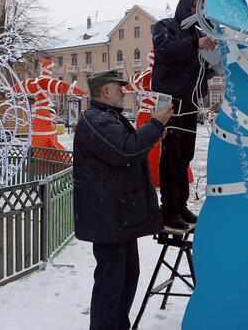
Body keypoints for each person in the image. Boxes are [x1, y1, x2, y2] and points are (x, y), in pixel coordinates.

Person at [73, 69, 174, 330]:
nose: (123, 91)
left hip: (118, 218)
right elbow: (126, 150)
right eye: (119, 88)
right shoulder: (95, 120)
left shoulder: (107, 117)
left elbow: (128, 146)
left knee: (127, 279)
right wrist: (156, 124)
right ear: (105, 91)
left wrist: (150, 132)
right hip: (108, 220)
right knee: (111, 285)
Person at [152, 0, 216, 230]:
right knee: (171, 154)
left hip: (190, 100)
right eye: (196, 2)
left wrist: (213, 65)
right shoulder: (165, 27)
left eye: (202, 4)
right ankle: (168, 209)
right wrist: (196, 45)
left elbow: (198, 67)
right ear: (187, 2)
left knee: (185, 155)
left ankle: (181, 205)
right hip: (171, 99)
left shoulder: (200, 31)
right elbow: (166, 51)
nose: (198, 8)